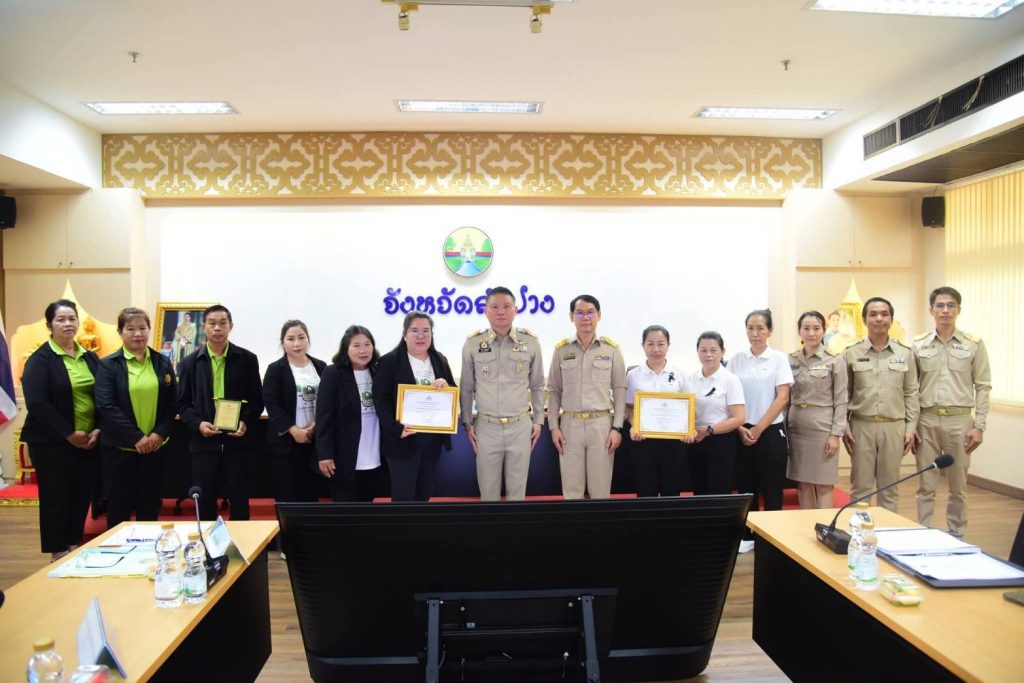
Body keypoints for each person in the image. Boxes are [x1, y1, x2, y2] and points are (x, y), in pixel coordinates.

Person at [21, 299, 101, 561]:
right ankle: (58, 552)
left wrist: (98, 429)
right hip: (52, 443)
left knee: (81, 495)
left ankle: (73, 544)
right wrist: (68, 434)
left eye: (71, 319)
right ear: (49, 325)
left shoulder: (89, 357)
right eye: (61, 320)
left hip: (88, 441)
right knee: (56, 497)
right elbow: (37, 403)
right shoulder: (40, 360)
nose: (68, 324)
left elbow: (102, 395)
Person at [912, 286, 991, 538]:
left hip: (960, 421)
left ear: (959, 310)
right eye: (940, 305)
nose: (945, 310)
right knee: (926, 484)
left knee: (958, 486)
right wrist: (911, 426)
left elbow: (983, 386)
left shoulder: (973, 344)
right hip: (926, 420)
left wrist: (979, 426)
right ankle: (923, 532)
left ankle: (957, 535)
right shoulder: (917, 345)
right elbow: (910, 389)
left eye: (950, 305)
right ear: (931, 310)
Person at [176, 304, 263, 520]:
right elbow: (182, 404)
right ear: (204, 327)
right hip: (203, 443)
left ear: (230, 326)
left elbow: (257, 399)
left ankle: (242, 540)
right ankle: (207, 541)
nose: (217, 328)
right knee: (205, 502)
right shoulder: (189, 363)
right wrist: (198, 424)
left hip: (237, 443)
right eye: (212, 323)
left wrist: (245, 421)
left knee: (240, 499)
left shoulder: (247, 359)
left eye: (222, 323)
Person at [94, 307, 177, 528]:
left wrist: (159, 434)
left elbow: (172, 402)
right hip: (121, 450)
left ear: (149, 329)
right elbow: (106, 405)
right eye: (130, 329)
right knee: (119, 506)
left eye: (142, 328)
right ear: (120, 332)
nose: (137, 334)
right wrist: (137, 438)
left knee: (149, 503)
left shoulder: (162, 361)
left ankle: (148, 546)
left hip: (155, 448)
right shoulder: (108, 365)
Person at [460, 286, 545, 501]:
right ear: (485, 310)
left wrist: (538, 421)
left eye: (506, 306)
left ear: (515, 310)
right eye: (494, 307)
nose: (501, 312)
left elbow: (537, 385)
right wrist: (467, 423)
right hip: (486, 427)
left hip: (520, 426)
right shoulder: (473, 344)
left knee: (517, 493)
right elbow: (467, 387)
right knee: (488, 492)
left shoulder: (531, 343)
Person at [842, 297, 919, 513]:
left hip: (894, 427)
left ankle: (887, 530)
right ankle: (859, 531)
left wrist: (911, 428)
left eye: (884, 314)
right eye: (873, 314)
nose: (879, 319)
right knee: (860, 488)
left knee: (890, 488)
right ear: (864, 319)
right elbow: (844, 394)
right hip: (861, 426)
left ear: (891, 319)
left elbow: (911, 393)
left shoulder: (905, 353)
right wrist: (844, 425)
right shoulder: (851, 353)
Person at [547, 294, 626, 500]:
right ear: (571, 317)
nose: (585, 318)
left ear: (599, 315)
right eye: (579, 313)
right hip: (570, 426)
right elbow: (554, 390)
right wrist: (554, 427)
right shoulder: (562, 350)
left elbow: (620, 390)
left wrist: (617, 428)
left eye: (590, 313)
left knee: (600, 490)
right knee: (572, 490)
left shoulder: (611, 350)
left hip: (601, 426)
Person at [374, 311, 457, 502]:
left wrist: (447, 386)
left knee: (424, 492)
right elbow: (381, 401)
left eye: (426, 331)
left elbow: (454, 392)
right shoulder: (390, 361)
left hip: (432, 440)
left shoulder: (439, 359)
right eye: (415, 331)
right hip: (403, 440)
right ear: (404, 335)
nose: (421, 336)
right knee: (403, 495)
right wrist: (396, 429)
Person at [729, 309, 793, 552]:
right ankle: (749, 534)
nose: (755, 334)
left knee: (772, 485)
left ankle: (772, 538)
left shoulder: (778, 359)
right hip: (742, 430)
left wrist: (759, 427)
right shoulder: (737, 359)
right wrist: (740, 428)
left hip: (770, 430)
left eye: (760, 329)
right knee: (747, 485)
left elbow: (782, 397)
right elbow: (728, 395)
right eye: (750, 328)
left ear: (770, 331)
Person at [316, 325, 388, 502]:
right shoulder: (333, 373)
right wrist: (324, 454)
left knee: (367, 507)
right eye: (356, 345)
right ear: (346, 349)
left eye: (367, 344)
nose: (363, 350)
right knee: (345, 509)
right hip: (343, 456)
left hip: (373, 453)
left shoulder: (378, 372)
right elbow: (324, 416)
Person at [786, 311, 849, 510]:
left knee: (824, 484)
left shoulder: (834, 359)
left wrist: (835, 434)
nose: (811, 333)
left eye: (816, 328)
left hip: (822, 428)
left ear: (824, 330)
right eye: (806, 328)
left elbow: (841, 400)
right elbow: (785, 398)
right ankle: (807, 525)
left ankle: (823, 525)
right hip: (796, 428)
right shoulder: (790, 360)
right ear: (799, 331)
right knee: (803, 484)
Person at [262, 320, 326, 504]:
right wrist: (293, 430)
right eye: (290, 339)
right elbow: (272, 404)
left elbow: (328, 401)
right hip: (285, 443)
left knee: (310, 493)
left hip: (314, 440)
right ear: (283, 342)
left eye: (301, 337)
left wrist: (316, 425)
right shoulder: (275, 370)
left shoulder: (321, 367)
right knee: (287, 494)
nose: (297, 343)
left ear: (308, 339)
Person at [625, 325, 688, 497]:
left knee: (672, 492)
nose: (656, 349)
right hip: (643, 441)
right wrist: (635, 425)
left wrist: (688, 429)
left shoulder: (680, 374)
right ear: (643, 345)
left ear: (668, 345)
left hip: (673, 443)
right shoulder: (633, 375)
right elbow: (628, 407)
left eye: (661, 344)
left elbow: (689, 407)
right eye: (650, 344)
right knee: (645, 491)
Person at [683, 332, 745, 498]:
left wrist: (709, 430)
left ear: (722, 352)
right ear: (697, 352)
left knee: (719, 492)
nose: (708, 354)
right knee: (699, 491)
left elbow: (739, 417)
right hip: (696, 440)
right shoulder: (690, 379)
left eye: (713, 350)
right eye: (703, 350)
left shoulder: (730, 380)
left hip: (721, 441)